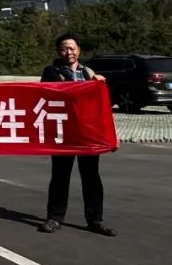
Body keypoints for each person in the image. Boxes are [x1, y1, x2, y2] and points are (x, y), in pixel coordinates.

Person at [38, 34, 116, 236]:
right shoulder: (52, 72)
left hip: (87, 135)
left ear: (79, 50)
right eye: (64, 49)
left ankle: (95, 220)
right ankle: (54, 218)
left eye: (72, 48)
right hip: (63, 135)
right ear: (58, 51)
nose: (69, 52)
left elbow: (102, 107)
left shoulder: (89, 73)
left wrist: (99, 83)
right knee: (60, 177)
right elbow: (55, 91)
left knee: (91, 178)